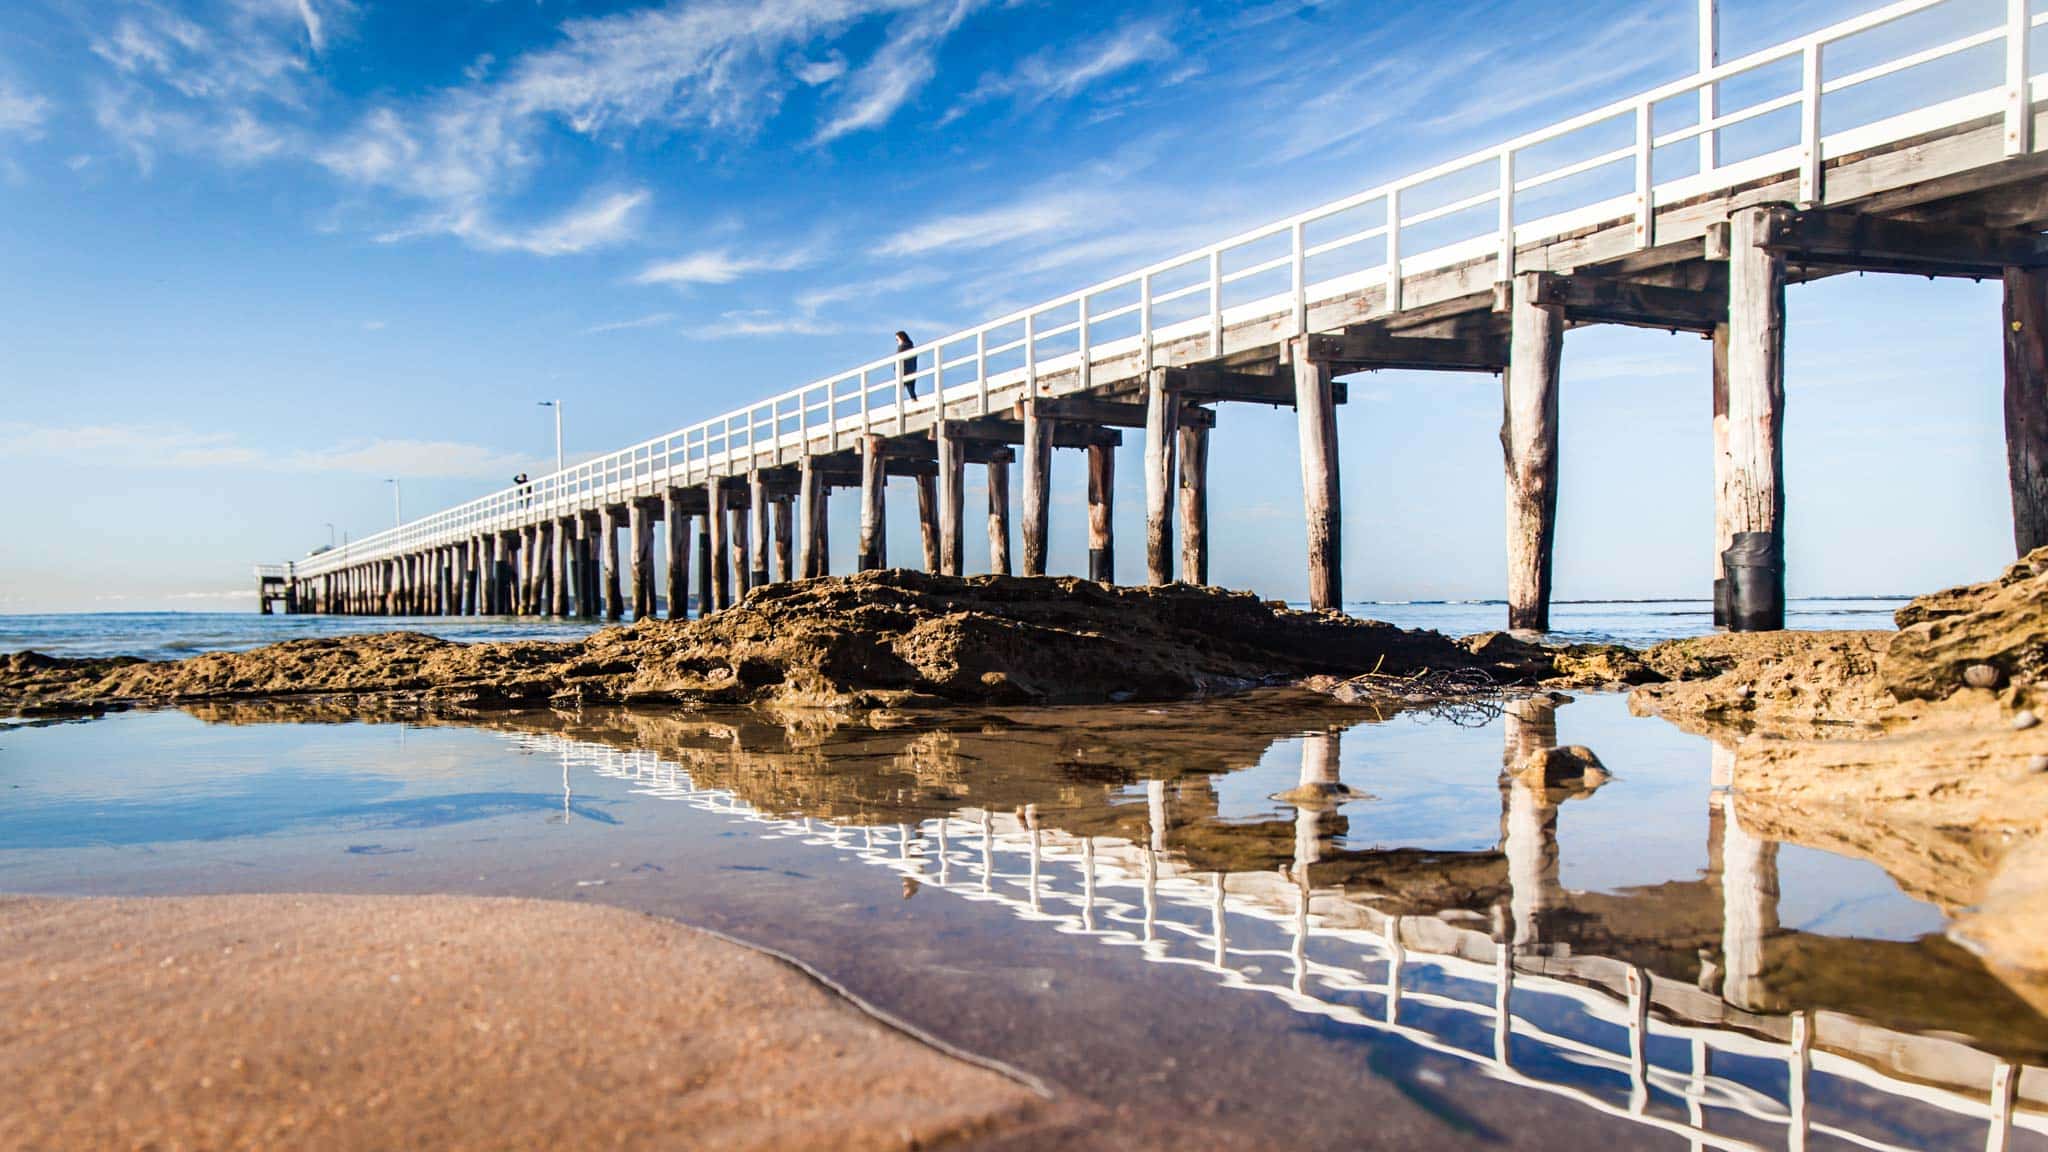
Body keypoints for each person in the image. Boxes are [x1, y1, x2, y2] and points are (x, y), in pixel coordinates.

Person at [895, 330, 917, 400]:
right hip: (912, 370)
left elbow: (897, 360)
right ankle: (914, 400)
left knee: (899, 389)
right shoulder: (911, 347)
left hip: (903, 371)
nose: (897, 341)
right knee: (911, 390)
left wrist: (895, 369)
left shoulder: (901, 347)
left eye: (897, 339)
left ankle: (897, 404)